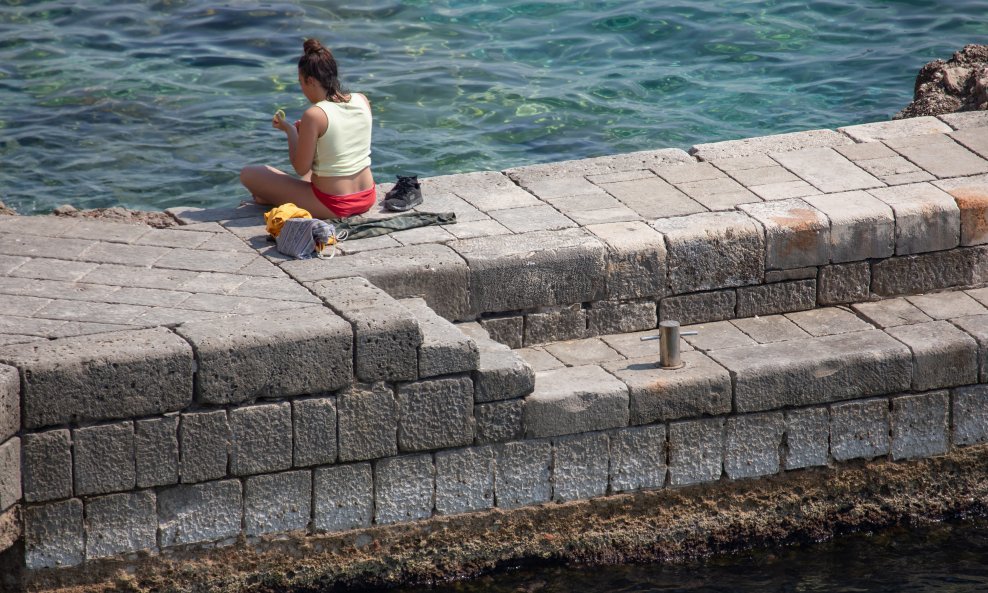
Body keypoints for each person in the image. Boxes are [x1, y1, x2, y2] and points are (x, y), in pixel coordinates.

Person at [240, 39, 376, 220]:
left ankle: (271, 196)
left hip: (334, 204)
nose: (302, 89)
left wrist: (290, 132)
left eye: (301, 83)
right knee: (319, 169)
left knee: (249, 174)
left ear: (311, 81)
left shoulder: (315, 114)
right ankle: (273, 196)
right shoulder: (361, 99)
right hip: (367, 196)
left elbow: (301, 168)